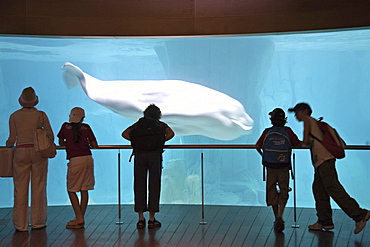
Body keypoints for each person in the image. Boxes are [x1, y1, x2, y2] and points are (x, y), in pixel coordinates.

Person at [288, 102, 370, 234]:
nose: (296, 116)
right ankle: (325, 221)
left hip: (324, 160)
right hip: (322, 162)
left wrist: (295, 143)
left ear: (304, 111)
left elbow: (305, 141)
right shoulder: (316, 123)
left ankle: (360, 215)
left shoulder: (308, 121)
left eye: (297, 112)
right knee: (319, 190)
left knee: (334, 188)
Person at [6, 87, 54, 231]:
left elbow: (11, 139)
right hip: (38, 152)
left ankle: (20, 224)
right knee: (39, 186)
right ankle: (38, 221)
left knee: (20, 188)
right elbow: (50, 135)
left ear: (21, 100)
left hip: (20, 151)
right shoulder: (41, 115)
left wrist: (8, 146)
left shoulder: (14, 116)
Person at [122, 104, 175, 229]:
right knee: (154, 184)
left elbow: (124, 134)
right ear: (158, 114)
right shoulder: (160, 125)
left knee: (139, 184)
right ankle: (152, 218)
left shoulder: (138, 124)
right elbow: (171, 133)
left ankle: (140, 218)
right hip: (154, 156)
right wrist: (160, 141)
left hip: (139, 156)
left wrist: (136, 142)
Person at [255, 108, 301, 232]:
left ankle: (276, 217)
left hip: (270, 165)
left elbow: (257, 146)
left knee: (271, 189)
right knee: (283, 188)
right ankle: (281, 214)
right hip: (283, 165)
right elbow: (297, 144)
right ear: (284, 119)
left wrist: (265, 156)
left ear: (272, 120)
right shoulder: (288, 131)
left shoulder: (267, 132)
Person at [57, 107, 98, 229]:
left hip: (75, 160)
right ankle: (80, 217)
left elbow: (60, 142)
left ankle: (79, 218)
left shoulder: (65, 127)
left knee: (71, 189)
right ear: (83, 118)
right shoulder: (87, 127)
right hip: (88, 158)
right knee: (84, 189)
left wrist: (68, 144)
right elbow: (95, 144)